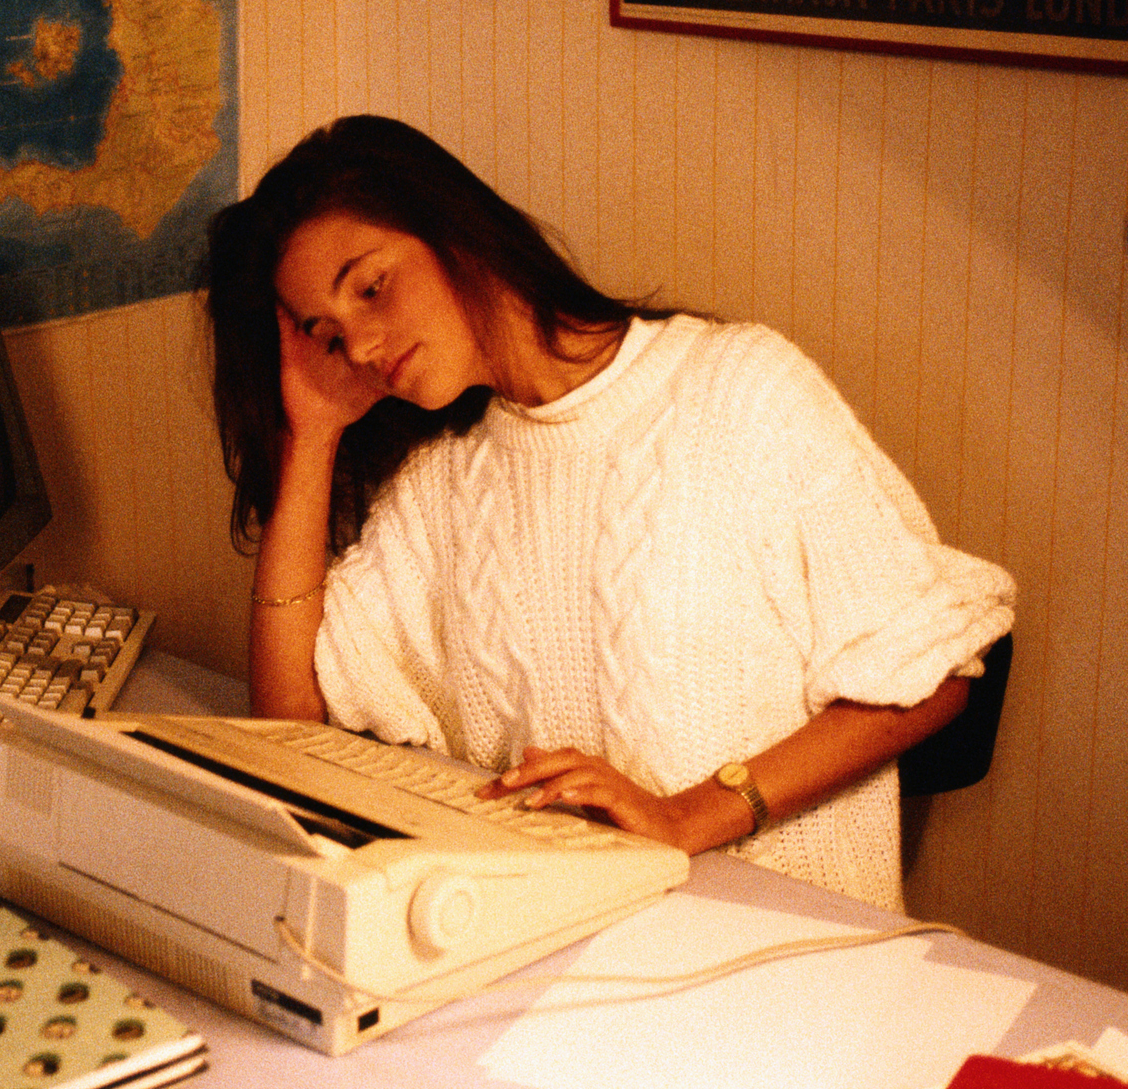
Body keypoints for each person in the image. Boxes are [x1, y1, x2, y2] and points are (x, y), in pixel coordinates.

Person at [204, 115, 1014, 912]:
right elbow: (290, 726)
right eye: (329, 335)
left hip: (784, 948)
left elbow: (935, 677)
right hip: (570, 944)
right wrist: (309, 437)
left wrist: (688, 814)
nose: (364, 346)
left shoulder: (740, 386)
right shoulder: (442, 474)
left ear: (455, 231)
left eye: (371, 288)